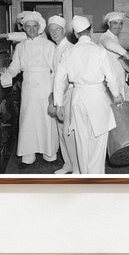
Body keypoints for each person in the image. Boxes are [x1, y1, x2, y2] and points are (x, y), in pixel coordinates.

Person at [54, 15, 122, 174]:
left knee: (82, 140)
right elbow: (111, 77)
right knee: (98, 141)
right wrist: (116, 95)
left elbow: (58, 80)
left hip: (77, 98)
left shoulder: (68, 53)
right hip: (97, 98)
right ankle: (96, 177)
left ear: (76, 34)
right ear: (90, 31)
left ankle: (85, 176)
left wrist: (59, 104)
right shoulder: (99, 51)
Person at [0, 11, 59, 169]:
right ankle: (28, 155)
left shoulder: (49, 46)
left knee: (46, 118)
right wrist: (8, 74)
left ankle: (49, 152)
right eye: (28, 26)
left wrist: (55, 91)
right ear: (24, 28)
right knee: (28, 120)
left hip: (45, 85)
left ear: (39, 27)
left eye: (34, 26)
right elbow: (15, 67)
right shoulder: (20, 47)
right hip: (28, 87)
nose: (32, 29)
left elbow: (56, 69)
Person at [47, 15, 79, 175]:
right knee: (61, 130)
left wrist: (58, 100)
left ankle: (77, 168)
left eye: (57, 29)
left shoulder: (69, 48)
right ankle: (68, 164)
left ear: (64, 30)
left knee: (69, 131)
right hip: (59, 94)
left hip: (69, 94)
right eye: (51, 30)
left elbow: (66, 78)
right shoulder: (56, 47)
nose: (54, 33)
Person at [98, 11, 129, 101]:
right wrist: (127, 55)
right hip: (110, 82)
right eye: (115, 23)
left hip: (117, 79)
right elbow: (110, 45)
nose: (118, 26)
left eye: (121, 23)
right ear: (109, 24)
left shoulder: (114, 37)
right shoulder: (105, 37)